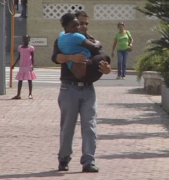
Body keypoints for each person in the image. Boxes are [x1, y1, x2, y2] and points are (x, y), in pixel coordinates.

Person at [51, 10, 111, 173]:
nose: (82, 26)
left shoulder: (90, 41)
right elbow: (56, 58)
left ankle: (88, 161)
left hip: (88, 89)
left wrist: (106, 69)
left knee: (90, 125)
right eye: (79, 23)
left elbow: (101, 59)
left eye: (85, 24)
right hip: (69, 88)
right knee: (67, 126)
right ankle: (64, 159)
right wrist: (71, 58)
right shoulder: (63, 38)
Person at [12, 35, 37, 99]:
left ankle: (30, 94)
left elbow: (32, 58)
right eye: (24, 39)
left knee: (29, 80)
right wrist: (14, 64)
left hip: (28, 65)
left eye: (27, 39)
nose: (26, 40)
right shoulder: (20, 47)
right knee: (20, 80)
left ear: (29, 40)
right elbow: (19, 56)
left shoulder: (30, 48)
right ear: (23, 40)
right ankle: (18, 94)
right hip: (22, 65)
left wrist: (32, 65)